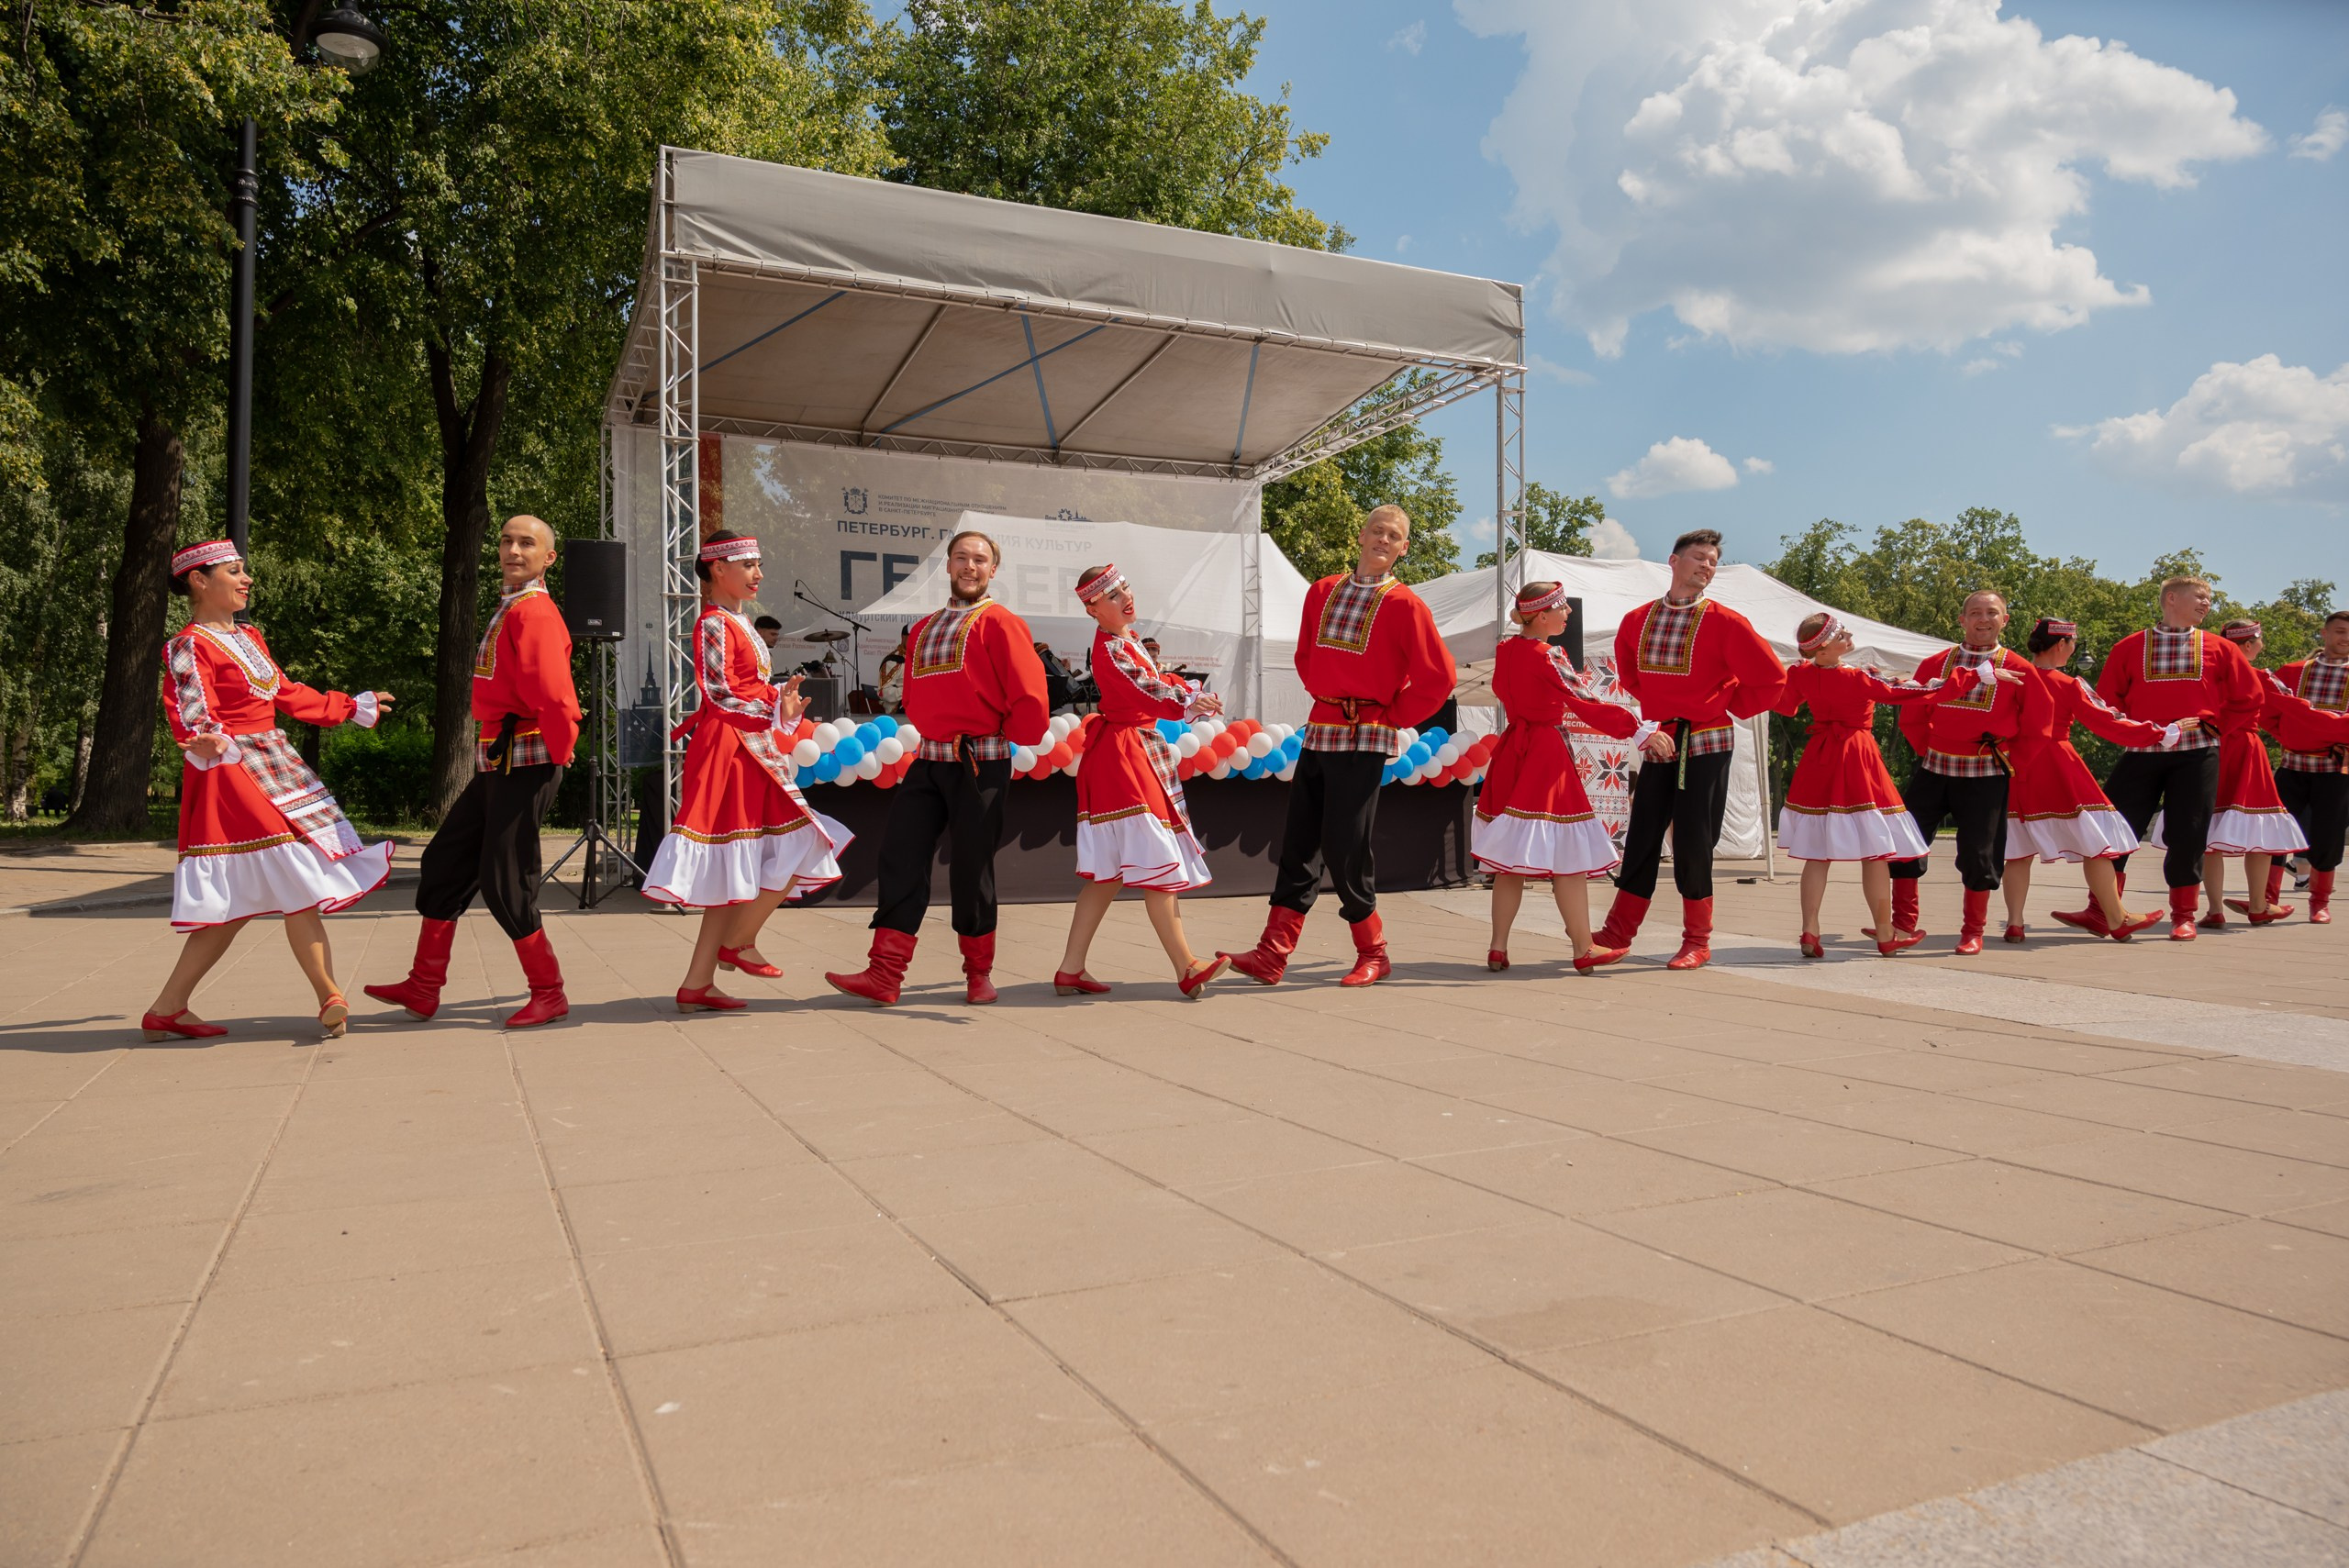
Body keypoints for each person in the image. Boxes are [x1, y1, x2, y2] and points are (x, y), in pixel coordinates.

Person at [139, 539, 395, 1041]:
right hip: (232, 773)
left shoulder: (251, 637)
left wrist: (349, 706)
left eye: (243, 571)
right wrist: (205, 737)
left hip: (274, 764)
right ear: (198, 580)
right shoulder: (189, 644)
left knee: (237, 906)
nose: (246, 579)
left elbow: (287, 694)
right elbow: (191, 708)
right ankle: (329, 994)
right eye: (233, 571)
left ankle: (167, 1008)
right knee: (295, 876)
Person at [1222, 505, 1456, 988]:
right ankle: (1272, 953)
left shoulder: (1406, 605)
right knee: (1300, 839)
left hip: (1367, 732)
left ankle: (1374, 951)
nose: (1383, 540)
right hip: (1322, 724)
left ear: (1403, 548)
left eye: (1394, 536)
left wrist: (1391, 714)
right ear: (1361, 534)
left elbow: (1439, 678)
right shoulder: (1322, 590)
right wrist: (1330, 696)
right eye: (1377, 530)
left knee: (1346, 844)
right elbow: (1305, 655)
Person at [365, 515, 584, 1028]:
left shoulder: (535, 613)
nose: (512, 549)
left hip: (529, 754)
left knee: (504, 875)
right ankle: (423, 987)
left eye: (526, 543)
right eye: (507, 540)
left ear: (548, 558)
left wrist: (560, 746)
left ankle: (549, 991)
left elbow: (553, 693)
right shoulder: (513, 606)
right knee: (446, 861)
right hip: (501, 757)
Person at [825, 529, 1049, 1006]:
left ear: (993, 570)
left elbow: (1030, 695)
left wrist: (1007, 736)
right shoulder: (924, 627)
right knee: (899, 856)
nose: (970, 566)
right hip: (928, 758)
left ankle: (978, 973)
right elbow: (913, 693)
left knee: (972, 868)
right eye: (961, 558)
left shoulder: (1002, 623)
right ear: (947, 566)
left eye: (980, 560)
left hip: (979, 762)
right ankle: (885, 974)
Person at [643, 533, 850, 1009]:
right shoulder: (714, 622)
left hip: (747, 742)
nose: (758, 573)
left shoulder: (740, 621)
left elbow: (743, 690)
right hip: (730, 747)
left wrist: (782, 702)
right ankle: (739, 942)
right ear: (718, 569)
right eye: (748, 564)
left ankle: (698, 982)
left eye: (759, 563)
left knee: (735, 866)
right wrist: (772, 708)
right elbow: (717, 693)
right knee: (801, 839)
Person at [1593, 528, 1786, 970]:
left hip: (1708, 737)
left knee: (1695, 841)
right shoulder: (1636, 619)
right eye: (1699, 557)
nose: (1707, 566)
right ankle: (1618, 931)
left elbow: (1772, 680)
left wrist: (1725, 705)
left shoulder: (1727, 621)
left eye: (1714, 561)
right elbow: (1630, 675)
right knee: (1642, 833)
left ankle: (1697, 939)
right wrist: (1660, 712)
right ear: (1674, 561)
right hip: (1663, 736)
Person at [1776, 612, 2013, 957]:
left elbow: (1785, 705)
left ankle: (1810, 931)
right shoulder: (1857, 678)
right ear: (1825, 648)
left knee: (1816, 854)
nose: (1849, 635)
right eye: (1842, 634)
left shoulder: (1801, 673)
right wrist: (1977, 673)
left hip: (1820, 758)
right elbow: (1915, 693)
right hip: (1857, 756)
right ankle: (1886, 934)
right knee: (1876, 851)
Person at [1051, 563, 1230, 999]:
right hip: (1124, 757)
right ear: (1093, 609)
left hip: (1129, 751)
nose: (1125, 597)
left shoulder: (1125, 641)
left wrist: (1188, 690)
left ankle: (1071, 969)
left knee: (1108, 874)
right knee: (1158, 860)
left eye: (1125, 588)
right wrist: (1189, 698)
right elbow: (1150, 691)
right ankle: (1186, 965)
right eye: (1112, 595)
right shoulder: (1112, 649)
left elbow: (1157, 681)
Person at [1474, 582, 1663, 974]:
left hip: (1512, 753)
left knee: (1510, 863)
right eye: (1562, 608)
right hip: (1544, 755)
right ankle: (1583, 947)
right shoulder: (1549, 655)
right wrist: (1639, 731)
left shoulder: (1506, 651)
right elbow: (1585, 701)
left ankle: (1497, 947)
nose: (1568, 614)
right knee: (1569, 858)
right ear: (1541, 615)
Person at [2067, 575, 2264, 940]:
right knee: (2116, 827)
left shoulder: (2221, 649)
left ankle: (2183, 914)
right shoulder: (2130, 647)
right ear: (2171, 598)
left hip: (2197, 753)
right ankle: (2102, 910)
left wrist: (2215, 727)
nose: (2207, 603)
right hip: (2142, 751)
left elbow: (2249, 698)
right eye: (2200, 596)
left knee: (2190, 831)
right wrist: (2133, 730)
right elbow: (2108, 701)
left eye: (2209, 598)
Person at [1998, 617, 2181, 943]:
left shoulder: (2011, 679)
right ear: (2061, 644)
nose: (2073, 650)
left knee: (2018, 849)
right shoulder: (2070, 685)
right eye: (2073, 644)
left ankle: (2015, 923)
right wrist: (2161, 732)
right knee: (2097, 845)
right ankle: (2115, 916)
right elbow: (2107, 720)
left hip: (2015, 765)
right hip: (2058, 764)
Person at [1884, 591, 2034, 956]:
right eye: (1976, 612)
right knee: (1906, 841)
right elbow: (1913, 712)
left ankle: (1973, 930)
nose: (1984, 619)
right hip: (1936, 766)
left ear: (2005, 619)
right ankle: (1903, 923)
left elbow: (2035, 725)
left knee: (1980, 853)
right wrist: (1932, 748)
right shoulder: (1936, 663)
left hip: (1986, 770)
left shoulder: (2020, 669)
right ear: (1962, 619)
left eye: (1992, 613)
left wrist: (2013, 762)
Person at [2268, 608, 2349, 923]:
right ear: (2324, 633)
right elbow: (2269, 713)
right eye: (2340, 631)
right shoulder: (2292, 671)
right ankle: (2267, 899)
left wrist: (2309, 726)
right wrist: (2293, 735)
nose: (2345, 638)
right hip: (2293, 764)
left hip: (2336, 771)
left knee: (2328, 836)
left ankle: (2319, 902)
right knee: (2274, 831)